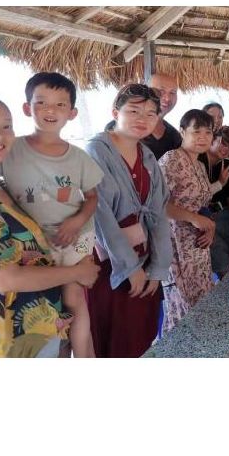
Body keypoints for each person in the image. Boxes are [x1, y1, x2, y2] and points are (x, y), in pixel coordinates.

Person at [0, 96, 99, 357]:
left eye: (6, 126)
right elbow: (6, 279)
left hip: (43, 329)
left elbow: (92, 196)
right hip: (12, 341)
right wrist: (76, 272)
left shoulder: (3, 188)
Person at [85, 84, 173, 356]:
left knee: (142, 336)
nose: (142, 119)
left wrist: (158, 269)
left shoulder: (148, 156)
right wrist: (129, 268)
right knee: (114, 341)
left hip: (145, 258)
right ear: (115, 112)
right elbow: (101, 215)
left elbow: (158, 214)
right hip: (110, 263)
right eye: (133, 111)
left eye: (150, 114)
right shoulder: (97, 151)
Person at [160, 109, 215, 330]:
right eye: (196, 131)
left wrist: (209, 227)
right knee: (182, 307)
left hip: (197, 246)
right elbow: (156, 205)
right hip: (175, 244)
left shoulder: (200, 164)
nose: (203, 137)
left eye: (208, 132)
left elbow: (201, 205)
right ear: (182, 132)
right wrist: (193, 218)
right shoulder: (171, 159)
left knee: (202, 302)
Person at [198, 125, 229, 277]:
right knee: (223, 262)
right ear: (212, 139)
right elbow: (197, 195)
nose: (226, 150)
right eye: (223, 143)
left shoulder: (223, 163)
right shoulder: (198, 159)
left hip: (217, 216)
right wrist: (220, 183)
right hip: (200, 218)